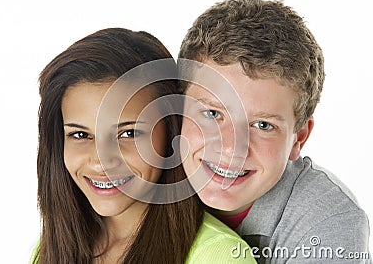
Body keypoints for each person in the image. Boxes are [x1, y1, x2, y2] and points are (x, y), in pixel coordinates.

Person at [30, 27, 256, 263]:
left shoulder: (219, 257)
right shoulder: (50, 248)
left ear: (171, 133)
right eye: (79, 135)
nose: (100, 161)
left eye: (128, 133)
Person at [178, 0, 371, 263]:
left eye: (263, 125)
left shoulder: (329, 220)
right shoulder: (142, 171)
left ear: (299, 138)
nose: (232, 148)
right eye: (212, 113)